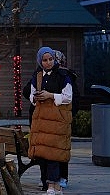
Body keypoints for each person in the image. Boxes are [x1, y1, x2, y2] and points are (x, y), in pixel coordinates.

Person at [28, 46, 73, 195]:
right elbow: (31, 94)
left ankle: (55, 184)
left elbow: (68, 97)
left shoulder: (62, 75)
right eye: (45, 60)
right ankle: (51, 184)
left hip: (56, 121)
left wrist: (51, 95)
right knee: (44, 155)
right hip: (42, 121)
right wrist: (36, 97)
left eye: (50, 59)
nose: (48, 62)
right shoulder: (38, 75)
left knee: (54, 155)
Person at [53, 50, 79, 190]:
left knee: (61, 148)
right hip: (53, 119)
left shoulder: (66, 76)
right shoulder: (46, 75)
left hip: (62, 119)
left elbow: (73, 99)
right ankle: (55, 177)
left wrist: (68, 115)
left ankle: (62, 177)